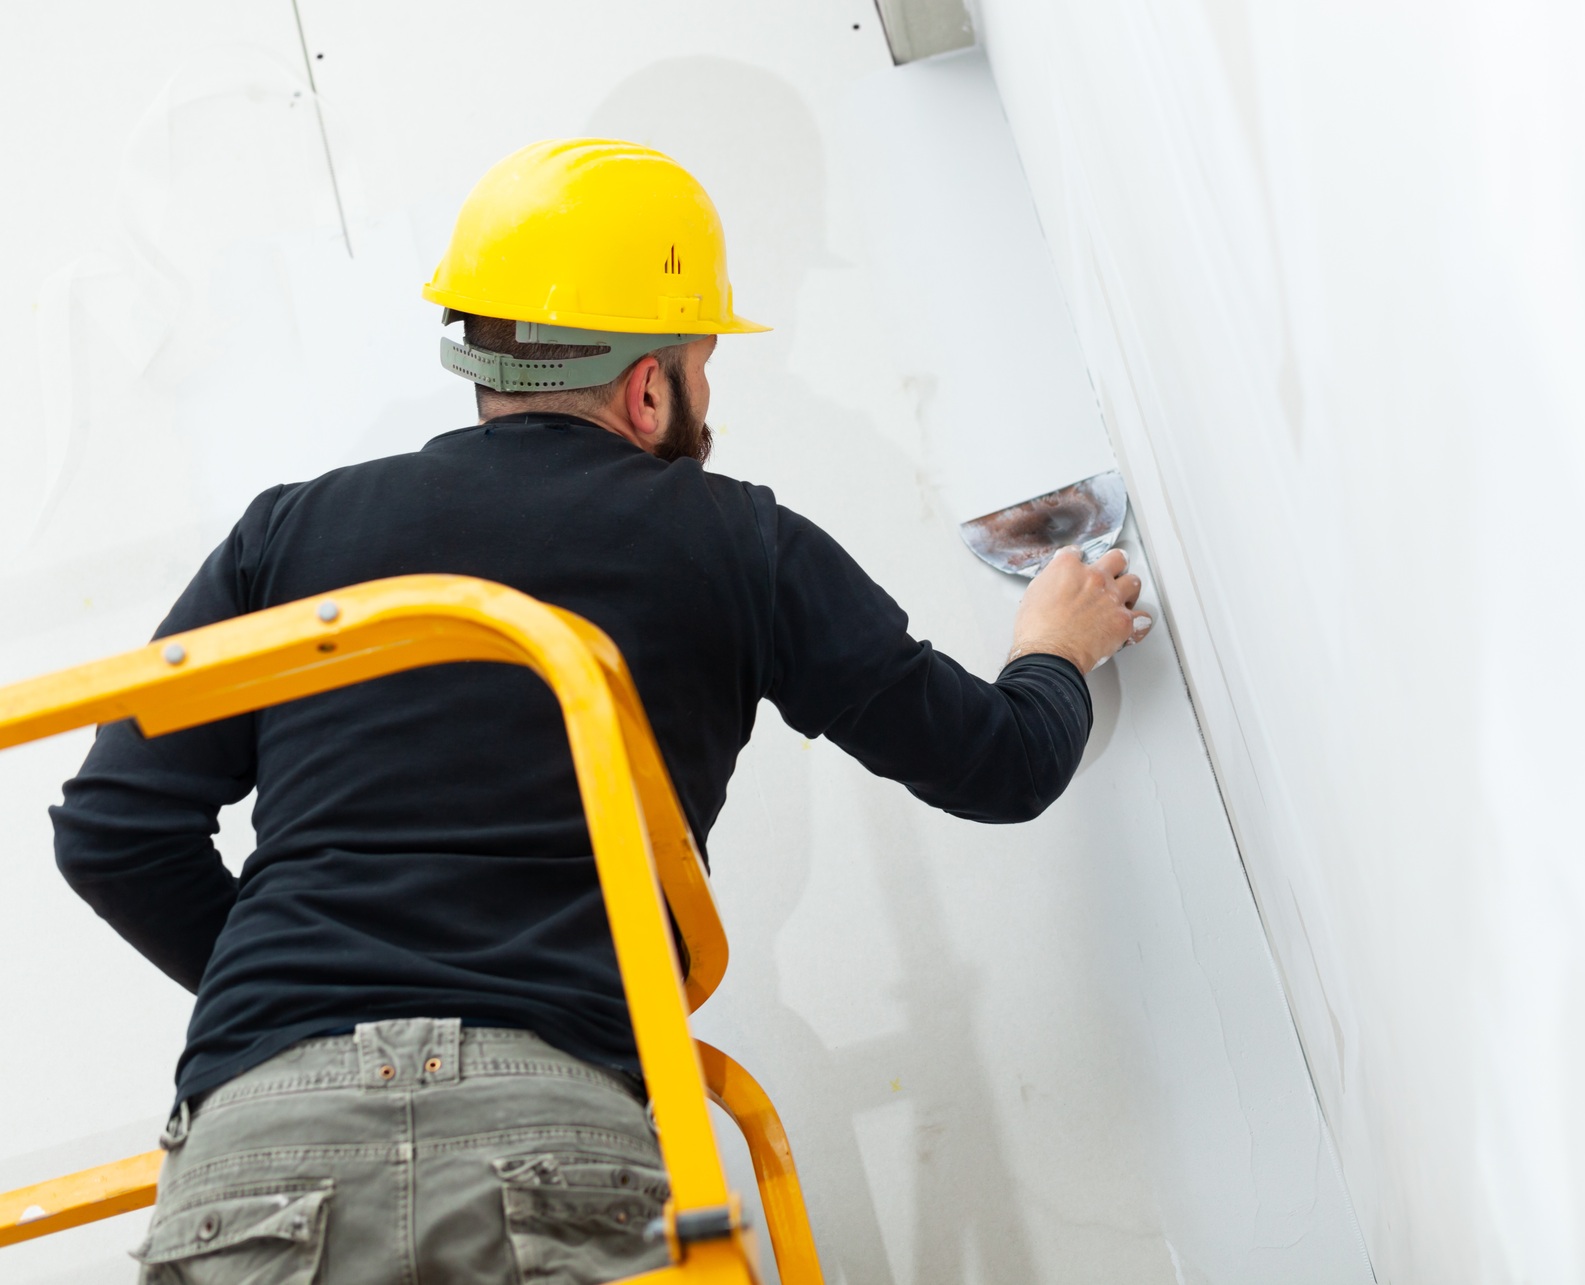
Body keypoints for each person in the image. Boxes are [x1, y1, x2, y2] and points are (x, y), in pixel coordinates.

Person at [49, 139, 1148, 1284]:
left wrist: (295, 1004)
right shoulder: (734, 538)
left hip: (259, 1152)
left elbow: (112, 831)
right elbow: (996, 764)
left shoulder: (290, 532)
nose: (706, 399)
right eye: (704, 366)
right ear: (648, 385)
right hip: (550, 1125)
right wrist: (1053, 649)